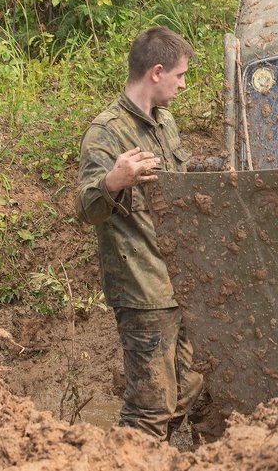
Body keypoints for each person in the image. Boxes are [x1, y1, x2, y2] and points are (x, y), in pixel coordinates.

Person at [76, 26, 204, 441]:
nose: (184, 85)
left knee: (188, 388)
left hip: (178, 281)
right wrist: (113, 181)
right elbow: (84, 208)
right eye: (180, 76)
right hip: (142, 287)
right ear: (157, 71)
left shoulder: (164, 123)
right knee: (149, 408)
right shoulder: (106, 132)